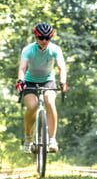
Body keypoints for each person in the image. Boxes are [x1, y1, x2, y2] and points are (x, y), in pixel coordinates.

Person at [15, 22, 68, 153]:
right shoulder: (28, 49)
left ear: (50, 38)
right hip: (30, 81)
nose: (44, 41)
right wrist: (20, 81)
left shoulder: (55, 49)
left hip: (48, 81)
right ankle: (28, 137)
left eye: (47, 38)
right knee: (32, 106)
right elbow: (22, 67)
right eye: (41, 38)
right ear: (36, 37)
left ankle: (52, 139)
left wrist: (63, 82)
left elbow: (61, 67)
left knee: (49, 101)